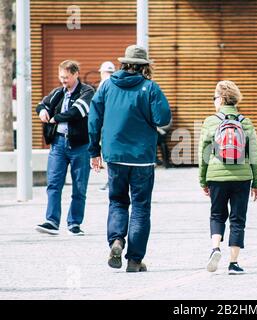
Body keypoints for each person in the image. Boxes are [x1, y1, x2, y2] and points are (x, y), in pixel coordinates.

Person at [88, 45, 171, 272]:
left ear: (123, 64)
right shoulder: (150, 87)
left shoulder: (106, 86)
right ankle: (134, 260)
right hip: (142, 157)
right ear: (145, 66)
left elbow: (93, 119)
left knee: (117, 201)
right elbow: (163, 118)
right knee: (141, 207)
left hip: (114, 155)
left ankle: (116, 240)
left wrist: (94, 150)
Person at [198, 80, 257, 275]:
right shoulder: (246, 122)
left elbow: (203, 153)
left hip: (216, 176)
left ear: (222, 98)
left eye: (214, 98)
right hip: (242, 177)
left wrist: (203, 179)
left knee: (217, 214)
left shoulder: (210, 121)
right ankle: (233, 263)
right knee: (237, 219)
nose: (213, 101)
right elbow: (254, 154)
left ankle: (215, 248)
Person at [35, 60, 95, 235]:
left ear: (76, 74)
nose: (63, 81)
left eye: (66, 77)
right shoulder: (58, 92)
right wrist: (42, 111)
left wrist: (55, 118)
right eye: (61, 77)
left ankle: (74, 223)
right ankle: (51, 221)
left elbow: (77, 111)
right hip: (58, 144)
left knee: (79, 186)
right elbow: (42, 104)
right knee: (53, 184)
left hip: (80, 146)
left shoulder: (87, 91)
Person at [97, 61, 116, 192]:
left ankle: (111, 181)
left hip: (106, 124)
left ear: (102, 72)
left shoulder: (104, 84)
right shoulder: (115, 83)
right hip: (115, 124)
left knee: (107, 154)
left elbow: (98, 106)